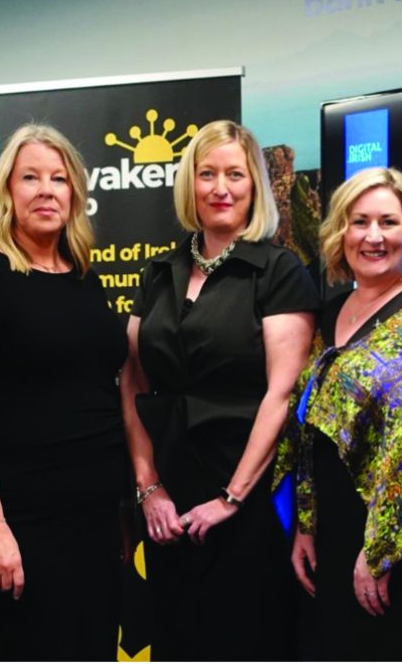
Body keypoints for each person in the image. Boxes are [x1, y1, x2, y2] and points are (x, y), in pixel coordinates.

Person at [0, 124, 129, 661]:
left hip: (96, 523)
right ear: (7, 191)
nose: (46, 190)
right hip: (25, 529)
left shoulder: (81, 274)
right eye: (31, 177)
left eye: (59, 179)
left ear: (75, 192)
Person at [120, 120, 317, 661]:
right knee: (178, 642)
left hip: (248, 506)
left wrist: (231, 499)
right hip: (169, 511)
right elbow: (134, 381)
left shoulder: (279, 272)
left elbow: (282, 394)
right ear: (191, 185)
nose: (220, 187)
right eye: (207, 174)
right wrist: (149, 488)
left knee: (246, 641)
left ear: (254, 185)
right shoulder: (159, 272)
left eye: (235, 174)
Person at [275, 167, 402, 661]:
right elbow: (312, 421)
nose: (373, 236)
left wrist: (382, 550)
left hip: (396, 536)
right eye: (360, 222)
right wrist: (307, 525)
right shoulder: (332, 310)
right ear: (341, 233)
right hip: (332, 522)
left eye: (388, 222)